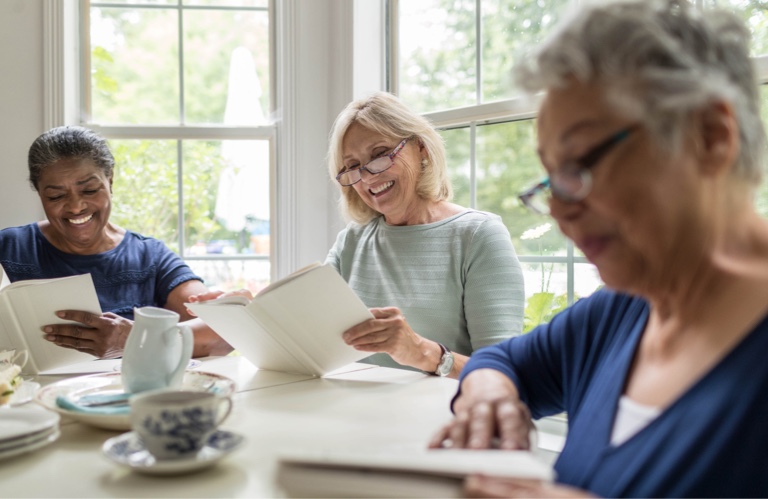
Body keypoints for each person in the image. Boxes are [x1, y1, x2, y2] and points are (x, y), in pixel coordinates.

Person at [429, 0, 768, 497]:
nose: (561, 210)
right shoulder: (622, 312)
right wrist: (487, 393)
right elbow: (503, 361)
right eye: (550, 178)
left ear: (710, 136)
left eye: (580, 163)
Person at [324, 91, 525, 378]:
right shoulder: (352, 241)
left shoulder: (479, 236)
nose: (368, 176)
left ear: (420, 148)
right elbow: (313, 339)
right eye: (353, 166)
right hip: (351, 414)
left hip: (441, 419)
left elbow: (503, 375)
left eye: (380, 155)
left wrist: (422, 351)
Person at [0, 126, 232, 359]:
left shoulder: (149, 257)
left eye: (89, 190)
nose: (76, 206)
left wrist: (140, 338)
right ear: (39, 193)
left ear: (110, 181)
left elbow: (223, 334)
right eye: (56, 196)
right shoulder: (9, 249)